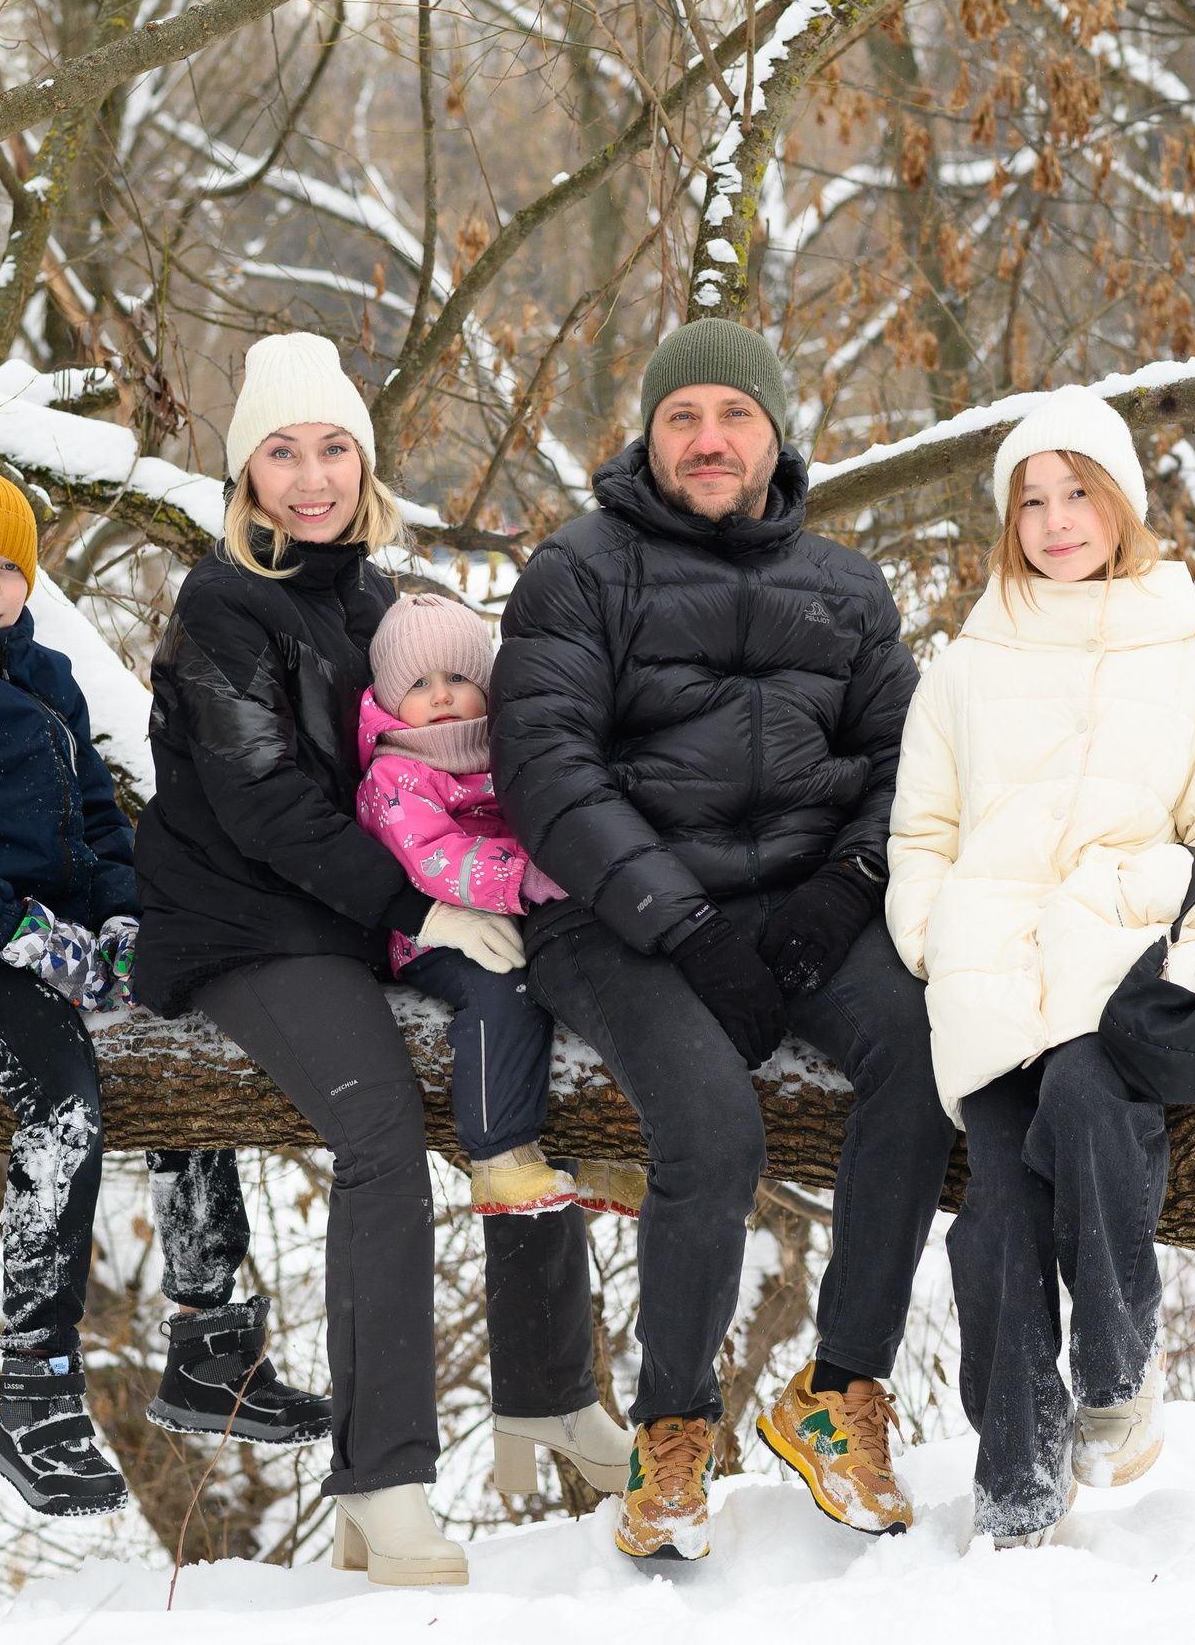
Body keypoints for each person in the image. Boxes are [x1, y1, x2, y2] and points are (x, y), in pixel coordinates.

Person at [132, 334, 629, 1586]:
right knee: (377, 1135)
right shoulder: (221, 607)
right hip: (256, 923)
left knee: (530, 1034)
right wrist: (422, 902)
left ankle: (549, 1390)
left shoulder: (383, 603)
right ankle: (387, 1479)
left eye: (334, 447)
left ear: (367, 459)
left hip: (390, 909)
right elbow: (264, 808)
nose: (312, 476)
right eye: (282, 453)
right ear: (244, 477)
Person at [492, 318, 953, 1562]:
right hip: (618, 921)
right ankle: (673, 1433)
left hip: (808, 907)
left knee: (929, 1061)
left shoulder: (849, 588)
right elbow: (544, 769)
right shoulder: (578, 571)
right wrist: (681, 923)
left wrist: (842, 891)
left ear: (775, 431)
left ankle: (837, 1391)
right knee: (713, 1124)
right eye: (683, 417)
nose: (708, 440)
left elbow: (911, 761)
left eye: (733, 416)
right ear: (649, 431)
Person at [0, 468, 328, 1521]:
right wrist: (14, 930)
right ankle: (34, 1393)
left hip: (65, 943)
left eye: (10, 566)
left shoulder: (44, 673)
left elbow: (94, 817)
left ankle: (207, 1350)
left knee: (187, 1047)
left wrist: (126, 915)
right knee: (63, 1101)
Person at [882, 387, 1195, 1547]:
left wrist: (1121, 893)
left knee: (1086, 1097)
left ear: (1121, 505)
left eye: (1079, 494)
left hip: (1112, 974)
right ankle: (1016, 1494)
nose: (1056, 521)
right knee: (994, 1213)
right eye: (1032, 501)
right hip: (989, 979)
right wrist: (934, 935)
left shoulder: (1190, 663)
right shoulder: (959, 668)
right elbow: (921, 837)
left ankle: (1116, 1369)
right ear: (1008, 521)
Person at [357, 592, 645, 1219]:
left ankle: (613, 1151)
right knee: (502, 992)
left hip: (526, 914)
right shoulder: (395, 773)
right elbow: (429, 855)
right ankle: (499, 1155)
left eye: (458, 678)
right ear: (385, 696)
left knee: (599, 982)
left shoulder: (507, 748)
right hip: (440, 934)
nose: (441, 696)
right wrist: (523, 876)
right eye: (420, 683)